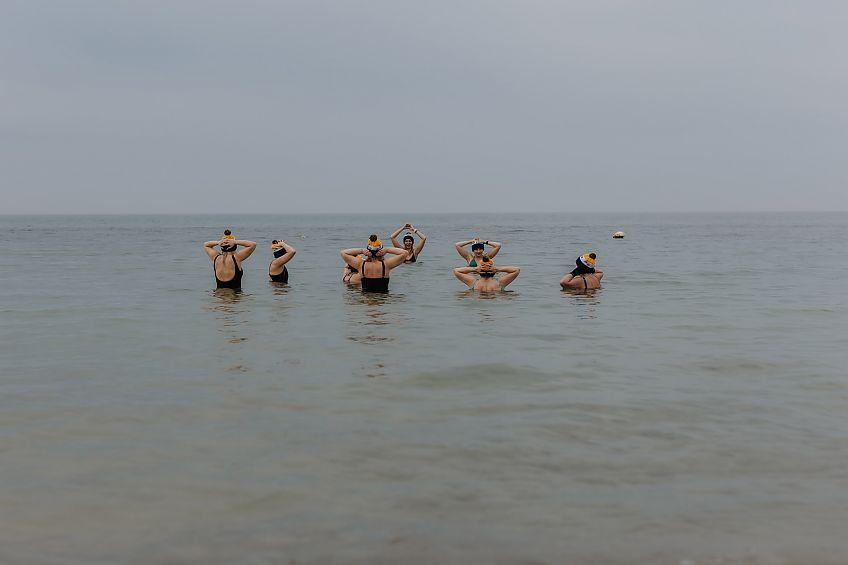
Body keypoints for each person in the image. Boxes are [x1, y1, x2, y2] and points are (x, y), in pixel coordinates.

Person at [340, 235, 408, 292]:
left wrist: (362, 251)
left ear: (368, 250)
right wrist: (387, 250)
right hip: (382, 300)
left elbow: (343, 253)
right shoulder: (386, 265)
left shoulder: (361, 265)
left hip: (366, 300)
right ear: (381, 250)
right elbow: (405, 253)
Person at [453, 255, 520, 291]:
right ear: (493, 270)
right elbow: (516, 270)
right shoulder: (500, 283)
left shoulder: (473, 282)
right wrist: (497, 269)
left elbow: (456, 271)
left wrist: (475, 269)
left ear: (480, 270)